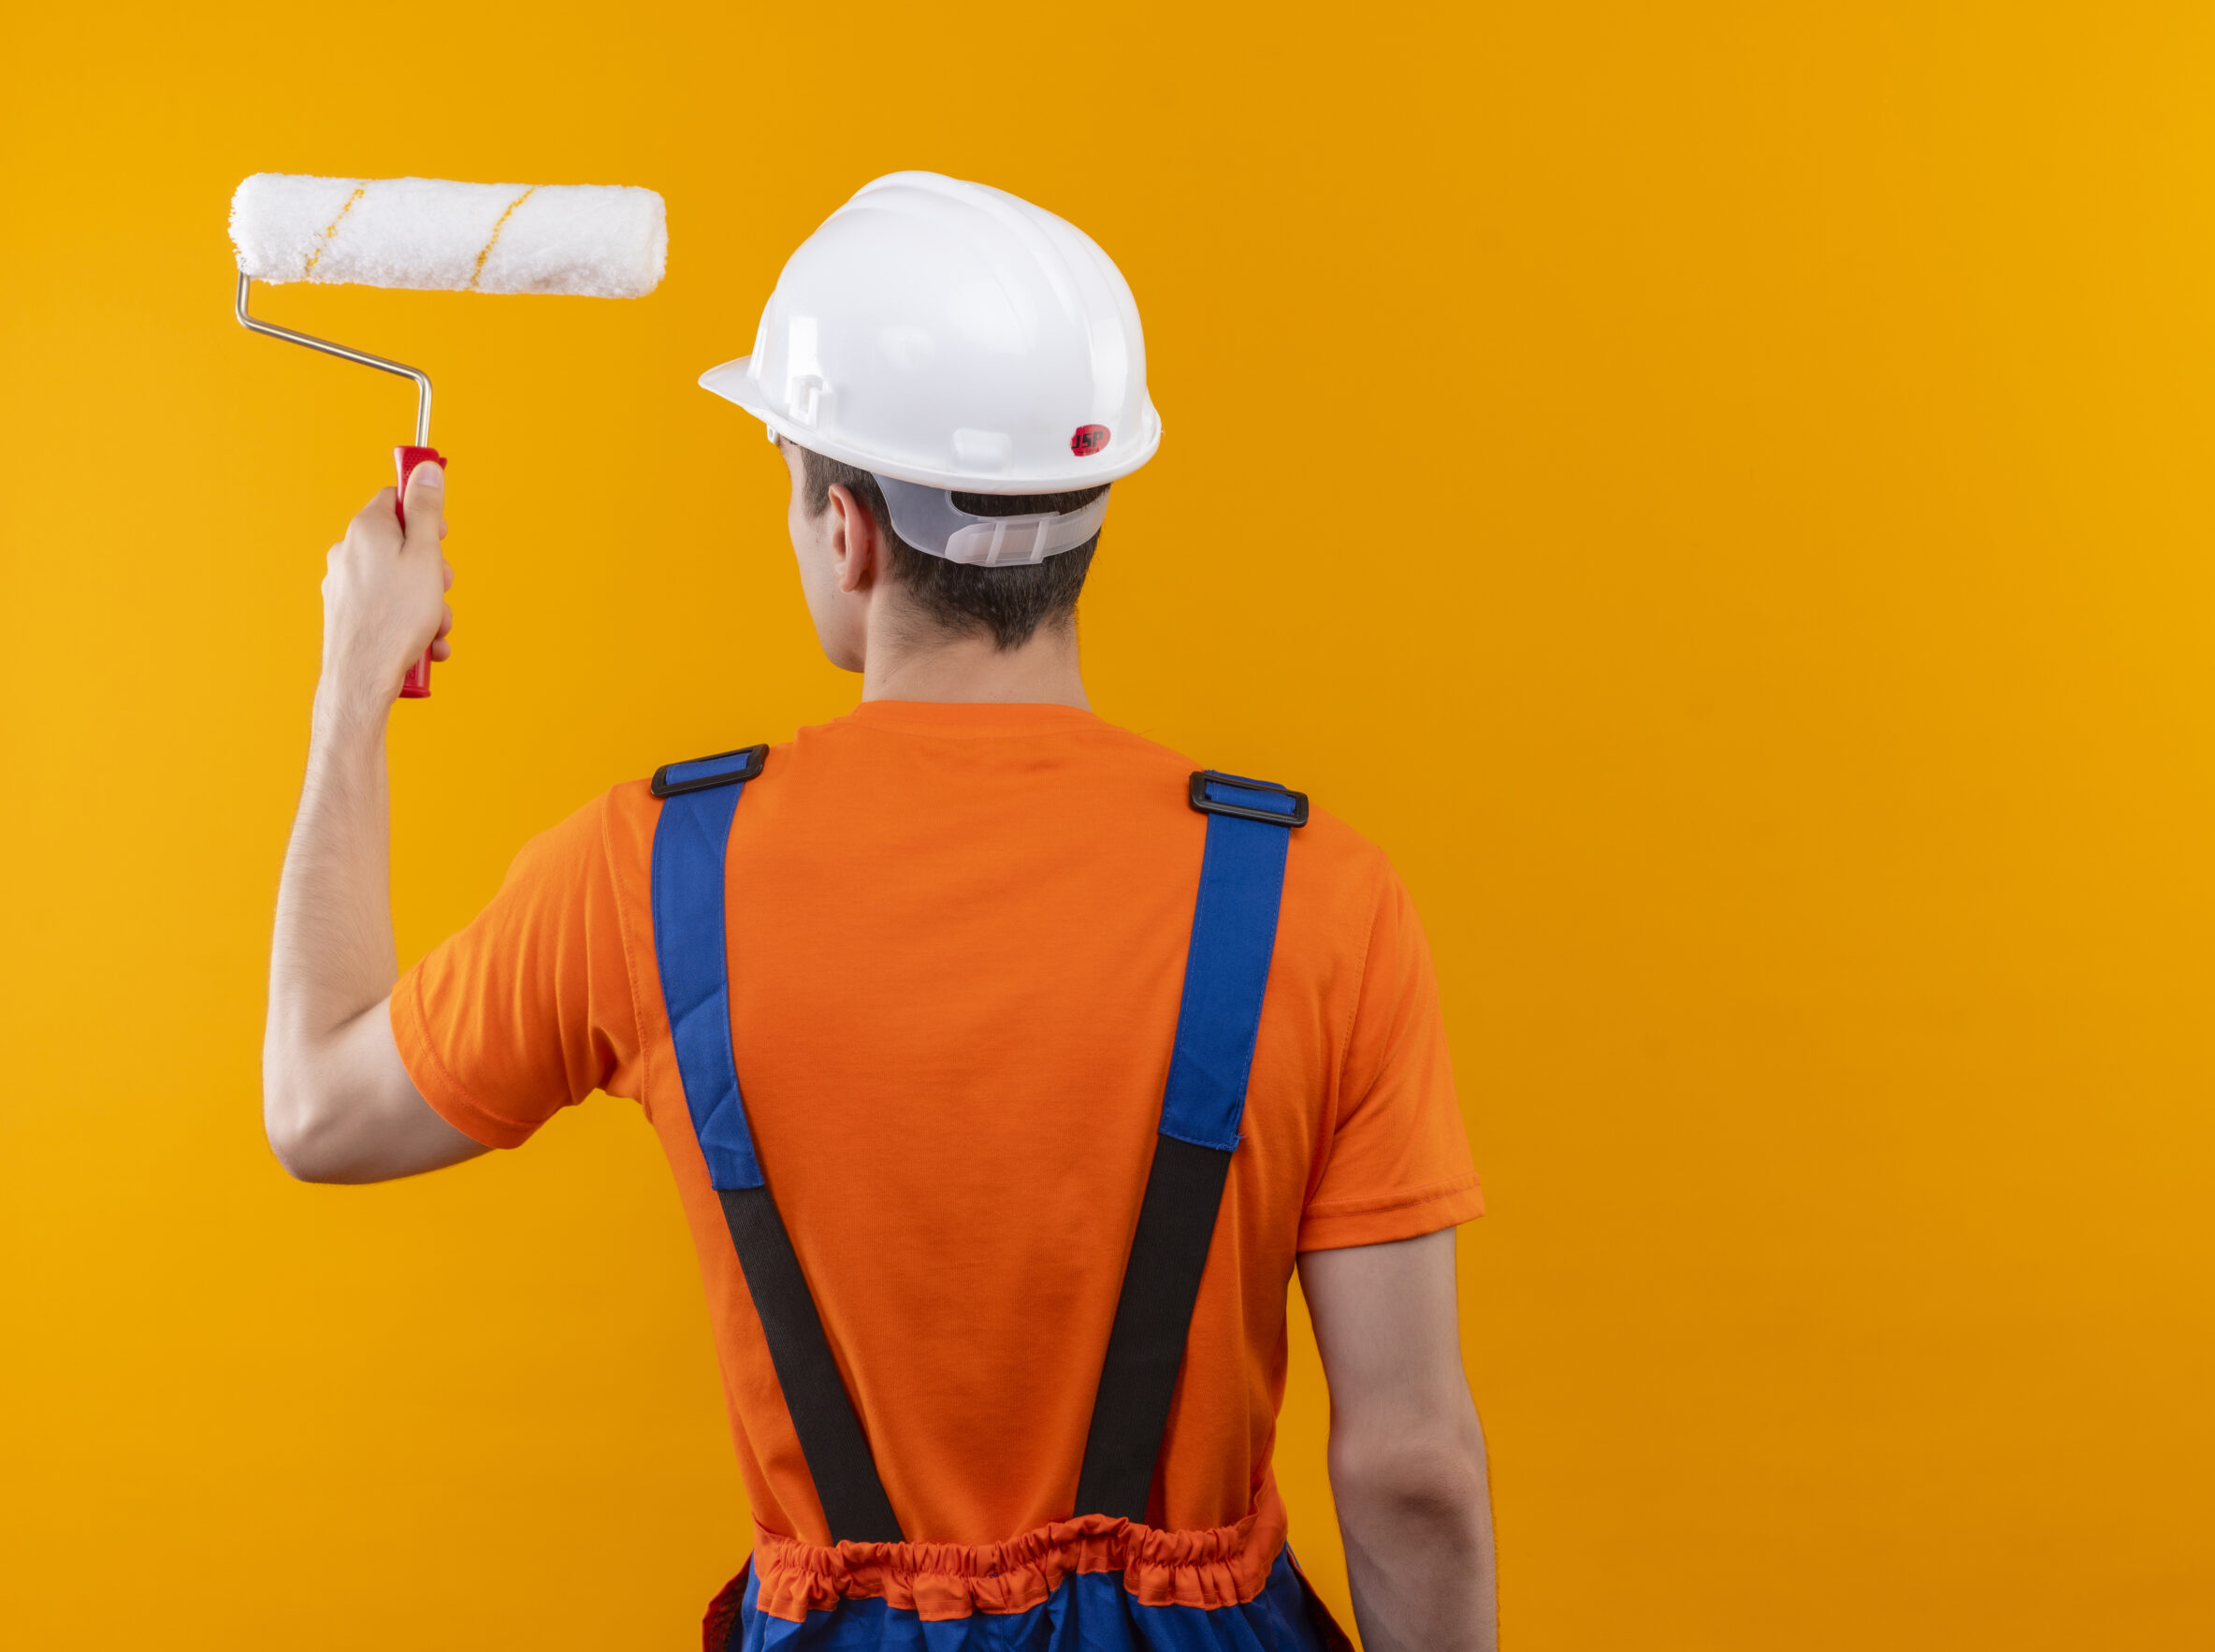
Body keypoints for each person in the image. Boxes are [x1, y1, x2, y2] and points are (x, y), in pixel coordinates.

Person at [262, 171, 1496, 1652]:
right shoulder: (1316, 893)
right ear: (1088, 511)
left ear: (845, 527)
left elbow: (319, 1107)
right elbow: (1413, 1467)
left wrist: (353, 686)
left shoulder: (651, 867)